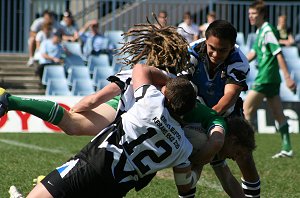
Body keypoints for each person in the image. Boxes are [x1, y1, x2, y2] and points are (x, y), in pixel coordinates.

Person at [0, 20, 243, 196]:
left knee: (74, 126)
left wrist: (83, 106)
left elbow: (97, 97)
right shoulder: (180, 86)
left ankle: (11, 102)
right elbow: (208, 115)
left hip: (123, 117)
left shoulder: (145, 78)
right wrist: (211, 143)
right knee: (182, 160)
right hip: (142, 149)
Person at [27, 63, 199, 197]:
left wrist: (168, 79)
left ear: (166, 95)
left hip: (92, 165)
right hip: (116, 189)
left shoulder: (152, 102)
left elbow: (140, 69)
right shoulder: (183, 147)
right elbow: (185, 188)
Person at [187, 19, 261, 197]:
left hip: (228, 111)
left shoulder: (239, 61)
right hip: (196, 108)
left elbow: (229, 96)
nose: (215, 54)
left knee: (244, 155)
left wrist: (211, 118)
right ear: (205, 41)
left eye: (222, 50)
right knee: (202, 157)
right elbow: (182, 86)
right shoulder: (191, 51)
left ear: (232, 47)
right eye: (212, 48)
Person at [244, 0, 296, 159]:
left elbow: (278, 53)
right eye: (249, 14)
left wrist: (287, 77)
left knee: (246, 110)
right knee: (278, 113)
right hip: (271, 78)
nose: (250, 17)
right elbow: (252, 55)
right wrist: (236, 65)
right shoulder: (261, 31)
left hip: (266, 76)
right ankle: (287, 148)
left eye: (254, 14)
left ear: (262, 15)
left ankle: (245, 147)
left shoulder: (267, 31)